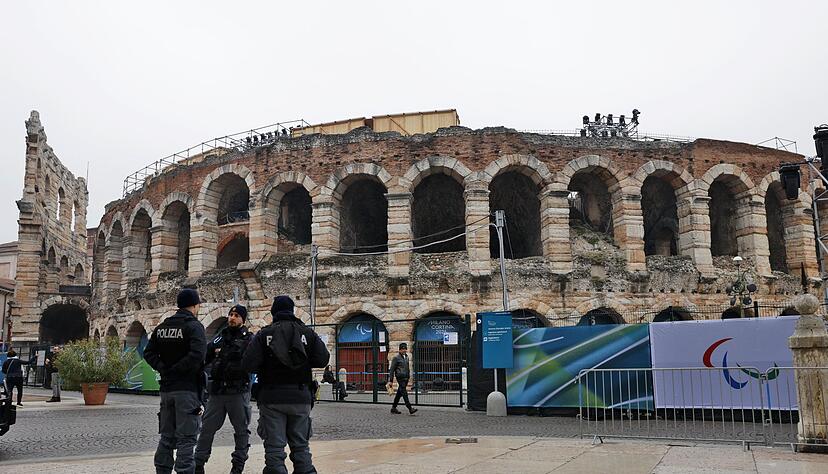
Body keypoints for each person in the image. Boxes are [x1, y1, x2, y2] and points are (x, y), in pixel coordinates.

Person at [242, 295, 330, 474]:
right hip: (300, 396)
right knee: (301, 447)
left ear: (274, 312)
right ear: (292, 310)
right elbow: (323, 359)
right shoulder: (307, 333)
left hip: (272, 397)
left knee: (274, 449)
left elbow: (248, 364)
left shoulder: (264, 334)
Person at [144, 288, 207, 474]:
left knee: (167, 437)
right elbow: (198, 355)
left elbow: (148, 353)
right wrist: (178, 369)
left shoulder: (163, 326)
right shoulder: (194, 326)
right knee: (187, 439)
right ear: (195, 305)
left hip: (167, 389)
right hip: (187, 389)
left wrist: (163, 368)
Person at [194, 304, 253, 474]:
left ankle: (238, 465)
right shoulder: (221, 337)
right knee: (206, 429)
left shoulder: (249, 338)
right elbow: (206, 357)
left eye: (236, 315)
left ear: (243, 319)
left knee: (241, 431)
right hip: (218, 392)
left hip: (238, 392)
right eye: (231, 314)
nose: (232, 318)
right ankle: (199, 463)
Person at [387, 343, 418, 415]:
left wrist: (409, 376)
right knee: (404, 393)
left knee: (399, 393)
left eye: (405, 349)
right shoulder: (396, 358)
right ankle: (410, 408)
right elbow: (391, 370)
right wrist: (391, 380)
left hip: (406, 378)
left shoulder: (406, 357)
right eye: (403, 349)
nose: (404, 350)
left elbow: (407, 368)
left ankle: (393, 408)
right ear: (400, 350)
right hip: (400, 378)